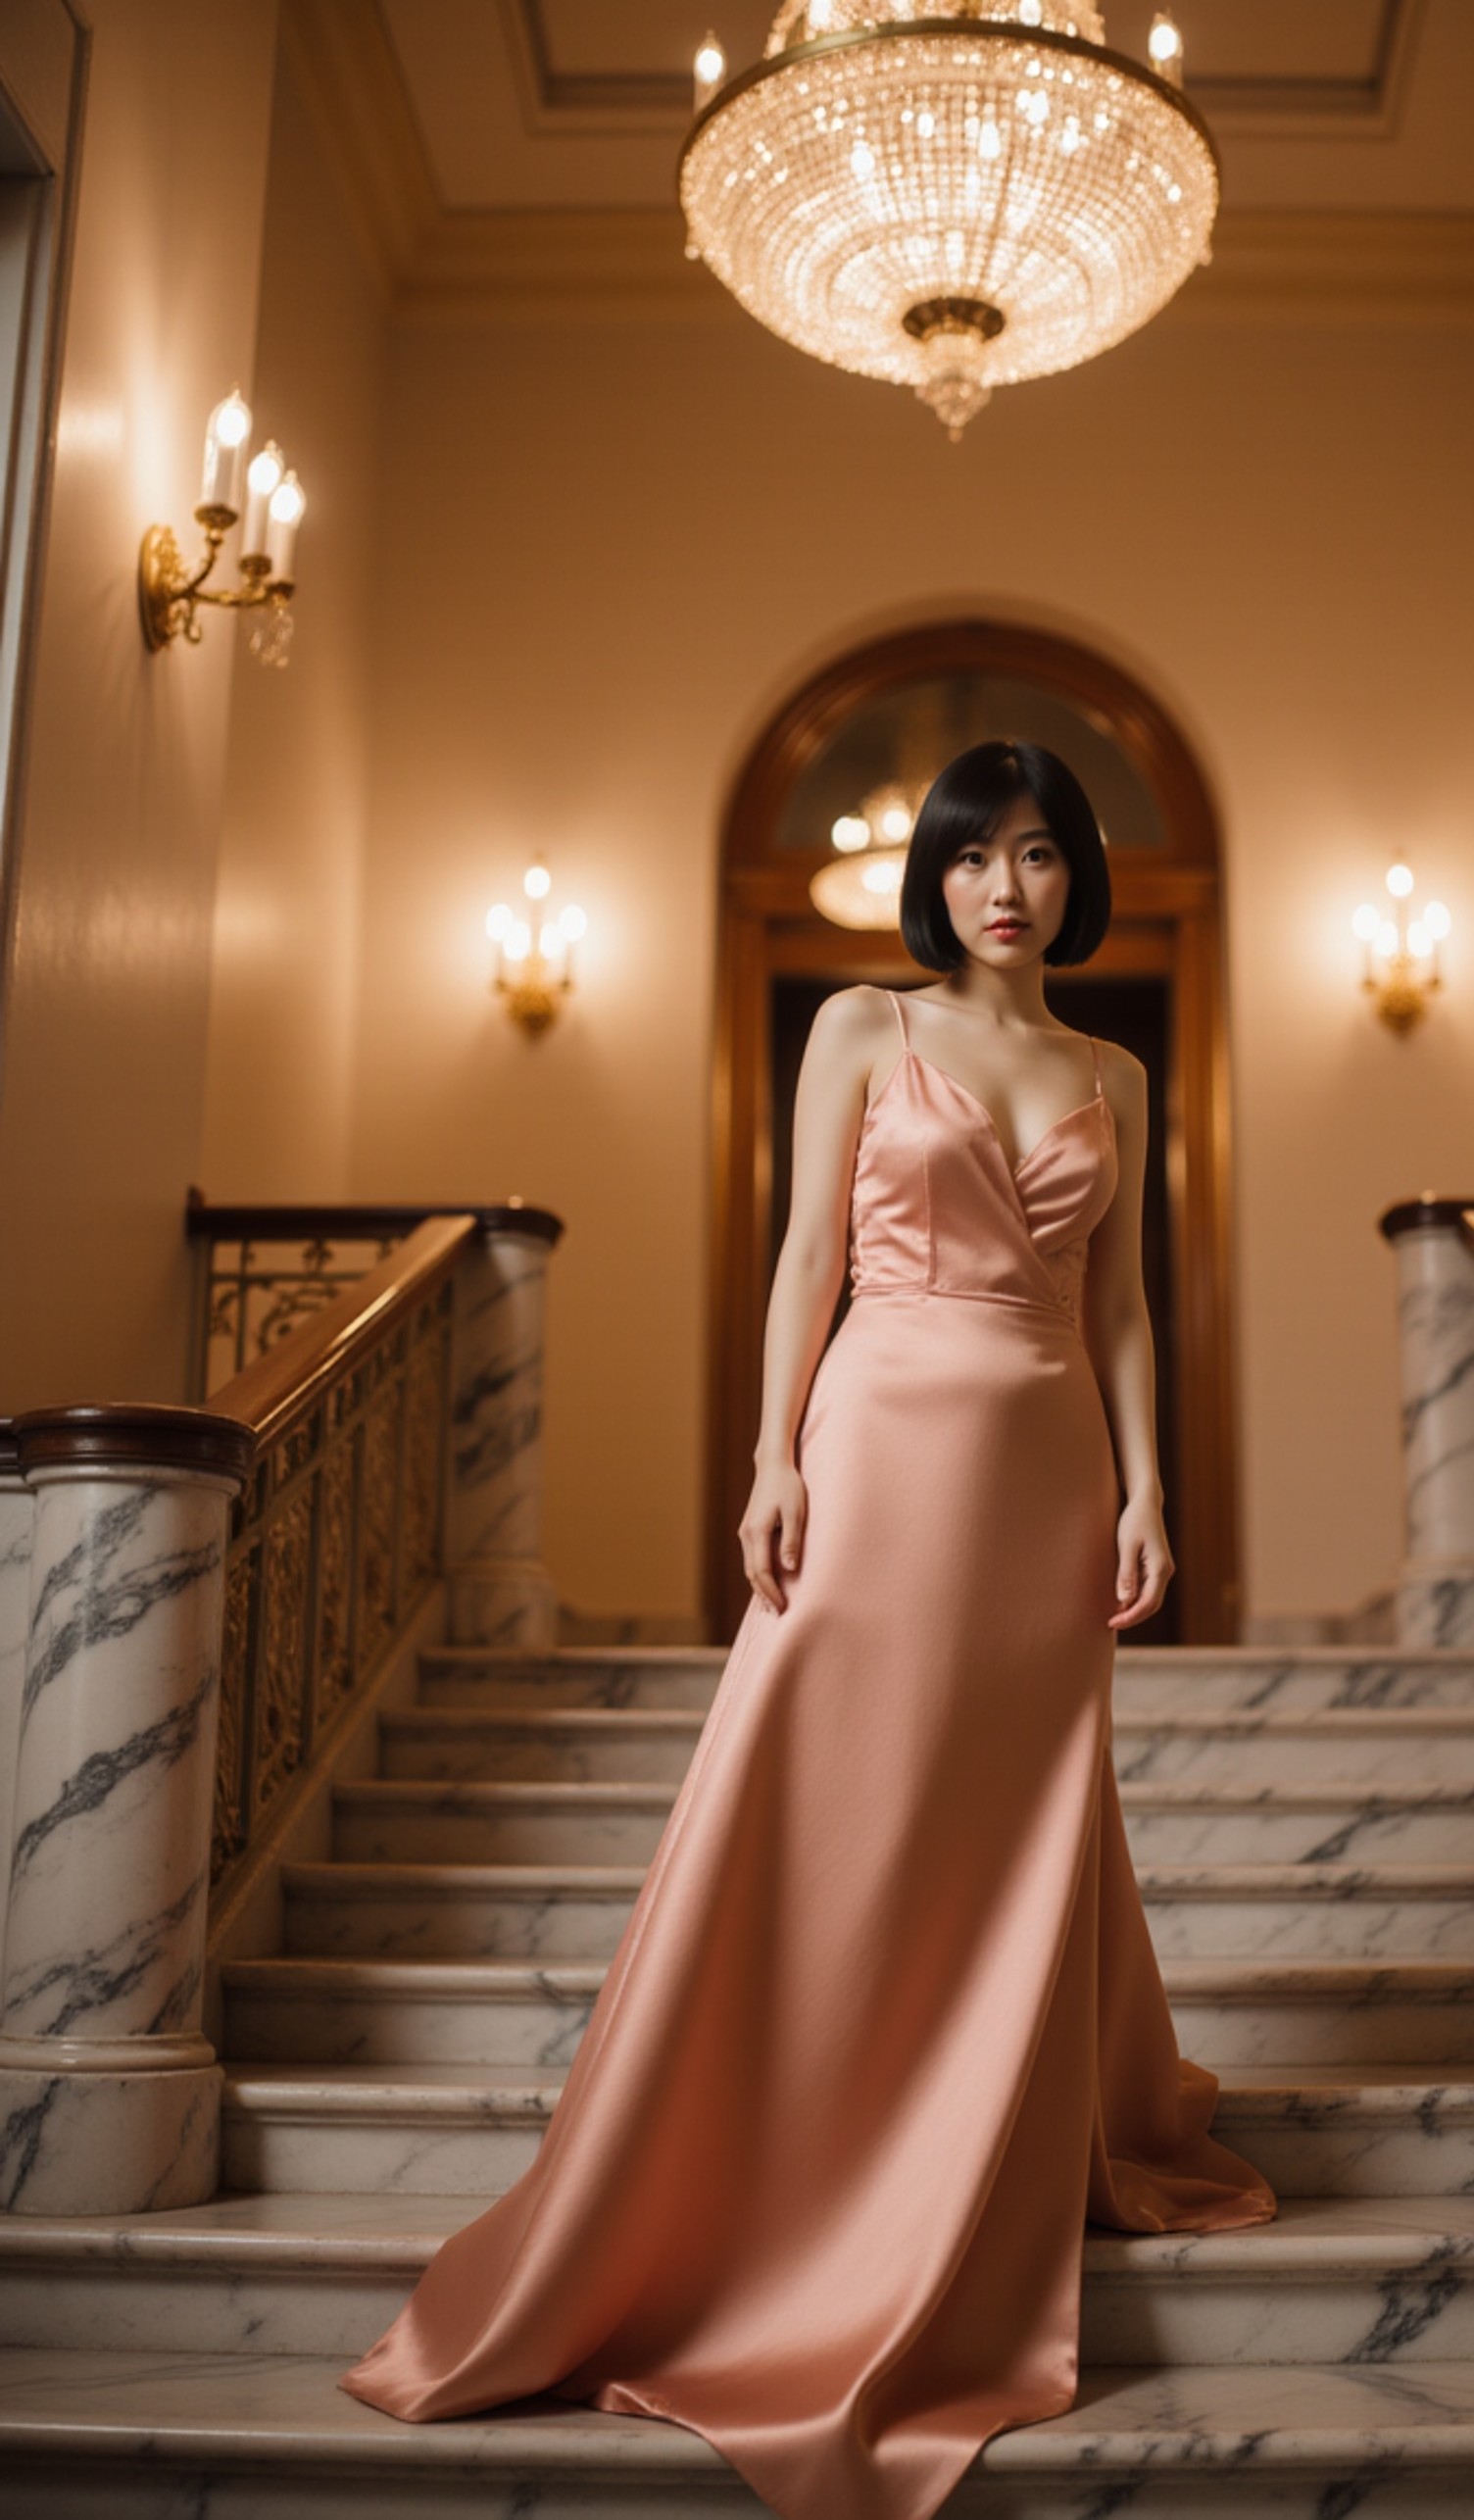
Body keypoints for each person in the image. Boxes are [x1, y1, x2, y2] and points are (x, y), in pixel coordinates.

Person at [340, 737, 1277, 2520]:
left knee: (1006, 1825)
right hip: (878, 1445)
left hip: (1043, 1477)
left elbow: (1125, 1299)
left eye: (1042, 856)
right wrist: (771, 1455)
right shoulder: (860, 1026)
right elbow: (803, 1265)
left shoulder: (1117, 1072)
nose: (1011, 885)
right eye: (979, 855)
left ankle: (967, 2139)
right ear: (934, 876)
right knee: (826, 1795)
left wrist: (1150, 1487)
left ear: (1079, 876)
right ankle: (782, 2146)